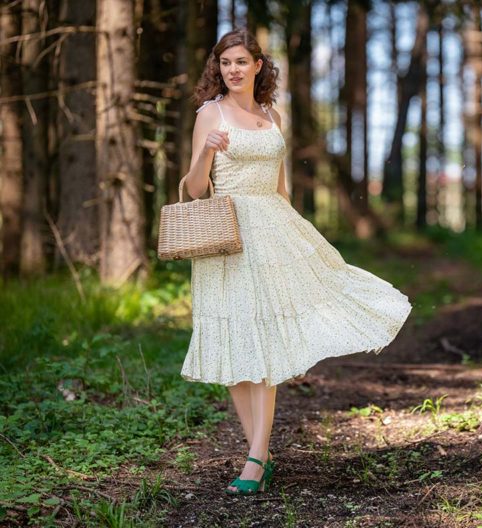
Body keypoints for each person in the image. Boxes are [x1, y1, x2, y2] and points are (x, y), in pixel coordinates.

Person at [179, 28, 412, 495]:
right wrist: (206, 151)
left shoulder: (271, 114)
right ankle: (258, 453)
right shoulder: (211, 113)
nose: (234, 70)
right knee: (236, 343)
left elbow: (281, 187)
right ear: (218, 68)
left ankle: (255, 457)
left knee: (264, 342)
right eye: (226, 63)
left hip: (274, 229)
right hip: (228, 233)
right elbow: (194, 188)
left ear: (258, 65)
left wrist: (301, 235)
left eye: (242, 62)